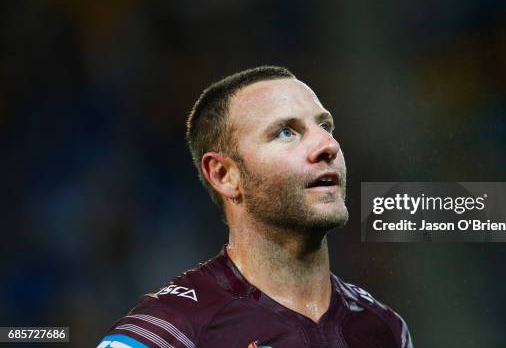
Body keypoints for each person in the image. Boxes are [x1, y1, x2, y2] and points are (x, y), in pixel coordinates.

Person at [97, 66, 413, 348]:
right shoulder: (171, 329)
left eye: (325, 127)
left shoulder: (385, 329)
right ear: (225, 175)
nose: (327, 146)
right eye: (286, 132)